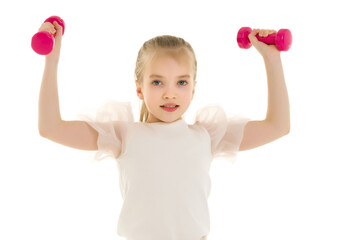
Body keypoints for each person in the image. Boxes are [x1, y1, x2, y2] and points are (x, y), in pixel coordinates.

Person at [38, 21, 290, 240]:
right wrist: (52, 60)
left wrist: (272, 59)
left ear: (193, 89)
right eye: (157, 82)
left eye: (181, 82)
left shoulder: (206, 137)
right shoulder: (124, 136)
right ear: (139, 89)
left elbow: (278, 127)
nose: (170, 93)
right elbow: (51, 128)